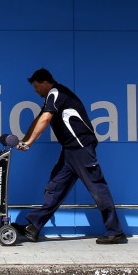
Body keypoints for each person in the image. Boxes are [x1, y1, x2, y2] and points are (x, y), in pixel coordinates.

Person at [13, 68, 127, 244]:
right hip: (69, 151)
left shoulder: (56, 93)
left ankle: (115, 232)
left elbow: (45, 119)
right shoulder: (51, 97)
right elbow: (38, 119)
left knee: (97, 188)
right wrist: (24, 140)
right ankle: (33, 227)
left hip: (81, 148)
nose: (35, 91)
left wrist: (29, 144)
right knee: (55, 187)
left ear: (45, 83)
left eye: (36, 86)